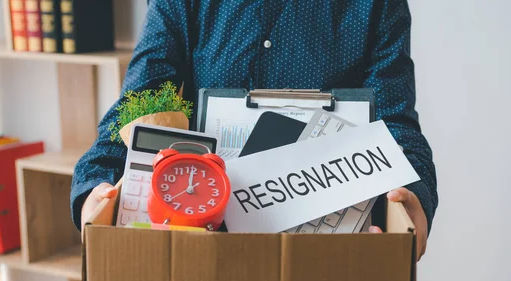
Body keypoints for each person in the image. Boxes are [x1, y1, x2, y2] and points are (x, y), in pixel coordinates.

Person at [70, 0, 438, 261]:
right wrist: (94, 188)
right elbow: (140, 106)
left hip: (333, 254)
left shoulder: (379, 5)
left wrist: (415, 202)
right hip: (203, 242)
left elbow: (397, 125)